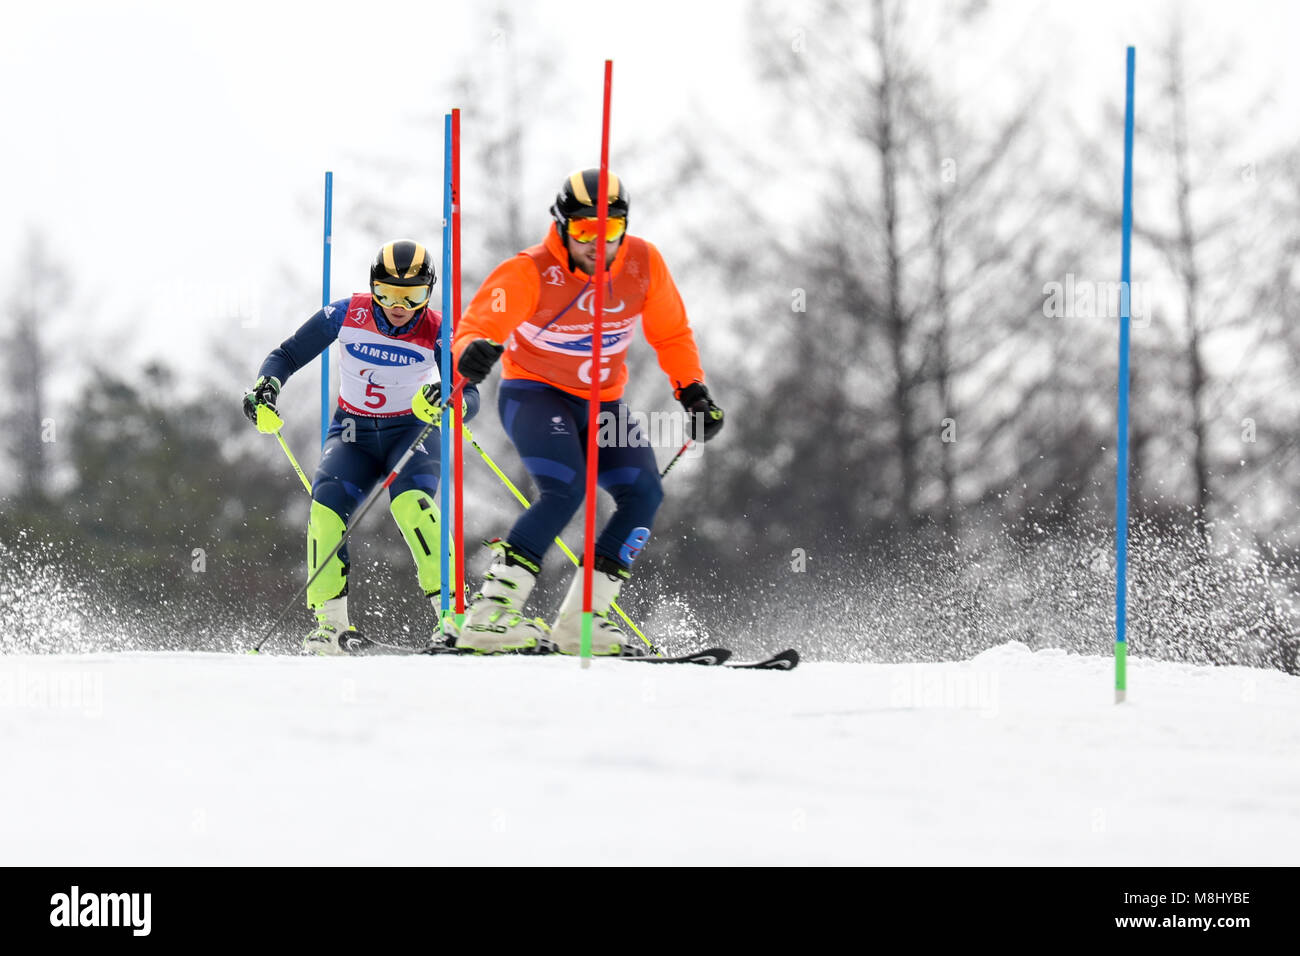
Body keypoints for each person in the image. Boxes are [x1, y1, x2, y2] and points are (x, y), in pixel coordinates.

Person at [449, 169, 724, 656]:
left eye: (610, 230)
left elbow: (672, 333)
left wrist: (692, 391)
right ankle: (489, 617)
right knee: (566, 489)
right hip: (534, 395)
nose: (598, 243)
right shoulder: (530, 270)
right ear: (561, 226)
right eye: (584, 231)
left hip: (603, 404)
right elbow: (476, 326)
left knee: (644, 494)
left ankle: (581, 624)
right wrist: (471, 351)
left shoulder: (642, 263)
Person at [242, 239, 478, 655]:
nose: (398, 305)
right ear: (373, 286)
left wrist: (447, 399)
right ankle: (330, 626)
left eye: (412, 295)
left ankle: (454, 616)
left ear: (429, 292)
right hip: (353, 433)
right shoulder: (346, 313)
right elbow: (287, 354)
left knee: (412, 508)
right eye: (386, 292)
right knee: (325, 508)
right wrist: (265, 389)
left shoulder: (439, 330)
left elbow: (468, 393)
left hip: (411, 431)